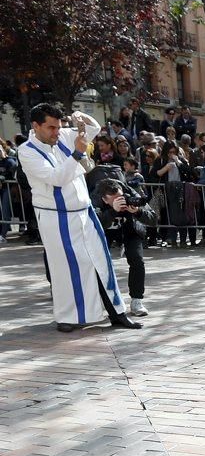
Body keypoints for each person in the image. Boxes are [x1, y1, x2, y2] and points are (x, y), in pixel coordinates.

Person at [17, 104, 139, 331]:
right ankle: (67, 317)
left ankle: (117, 313)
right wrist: (77, 153)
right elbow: (56, 178)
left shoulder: (61, 135)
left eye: (58, 126)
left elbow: (92, 130)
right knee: (65, 267)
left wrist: (83, 118)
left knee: (100, 260)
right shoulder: (26, 151)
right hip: (56, 217)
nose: (56, 132)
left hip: (84, 211)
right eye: (51, 127)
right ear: (35, 126)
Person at [94, 177, 156, 316]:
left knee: (137, 261)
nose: (121, 201)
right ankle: (97, 300)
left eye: (121, 197)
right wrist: (112, 211)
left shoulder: (130, 195)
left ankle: (137, 300)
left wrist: (137, 212)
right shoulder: (95, 200)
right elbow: (93, 223)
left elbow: (153, 219)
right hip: (105, 234)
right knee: (96, 264)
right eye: (115, 199)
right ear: (105, 199)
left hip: (130, 231)